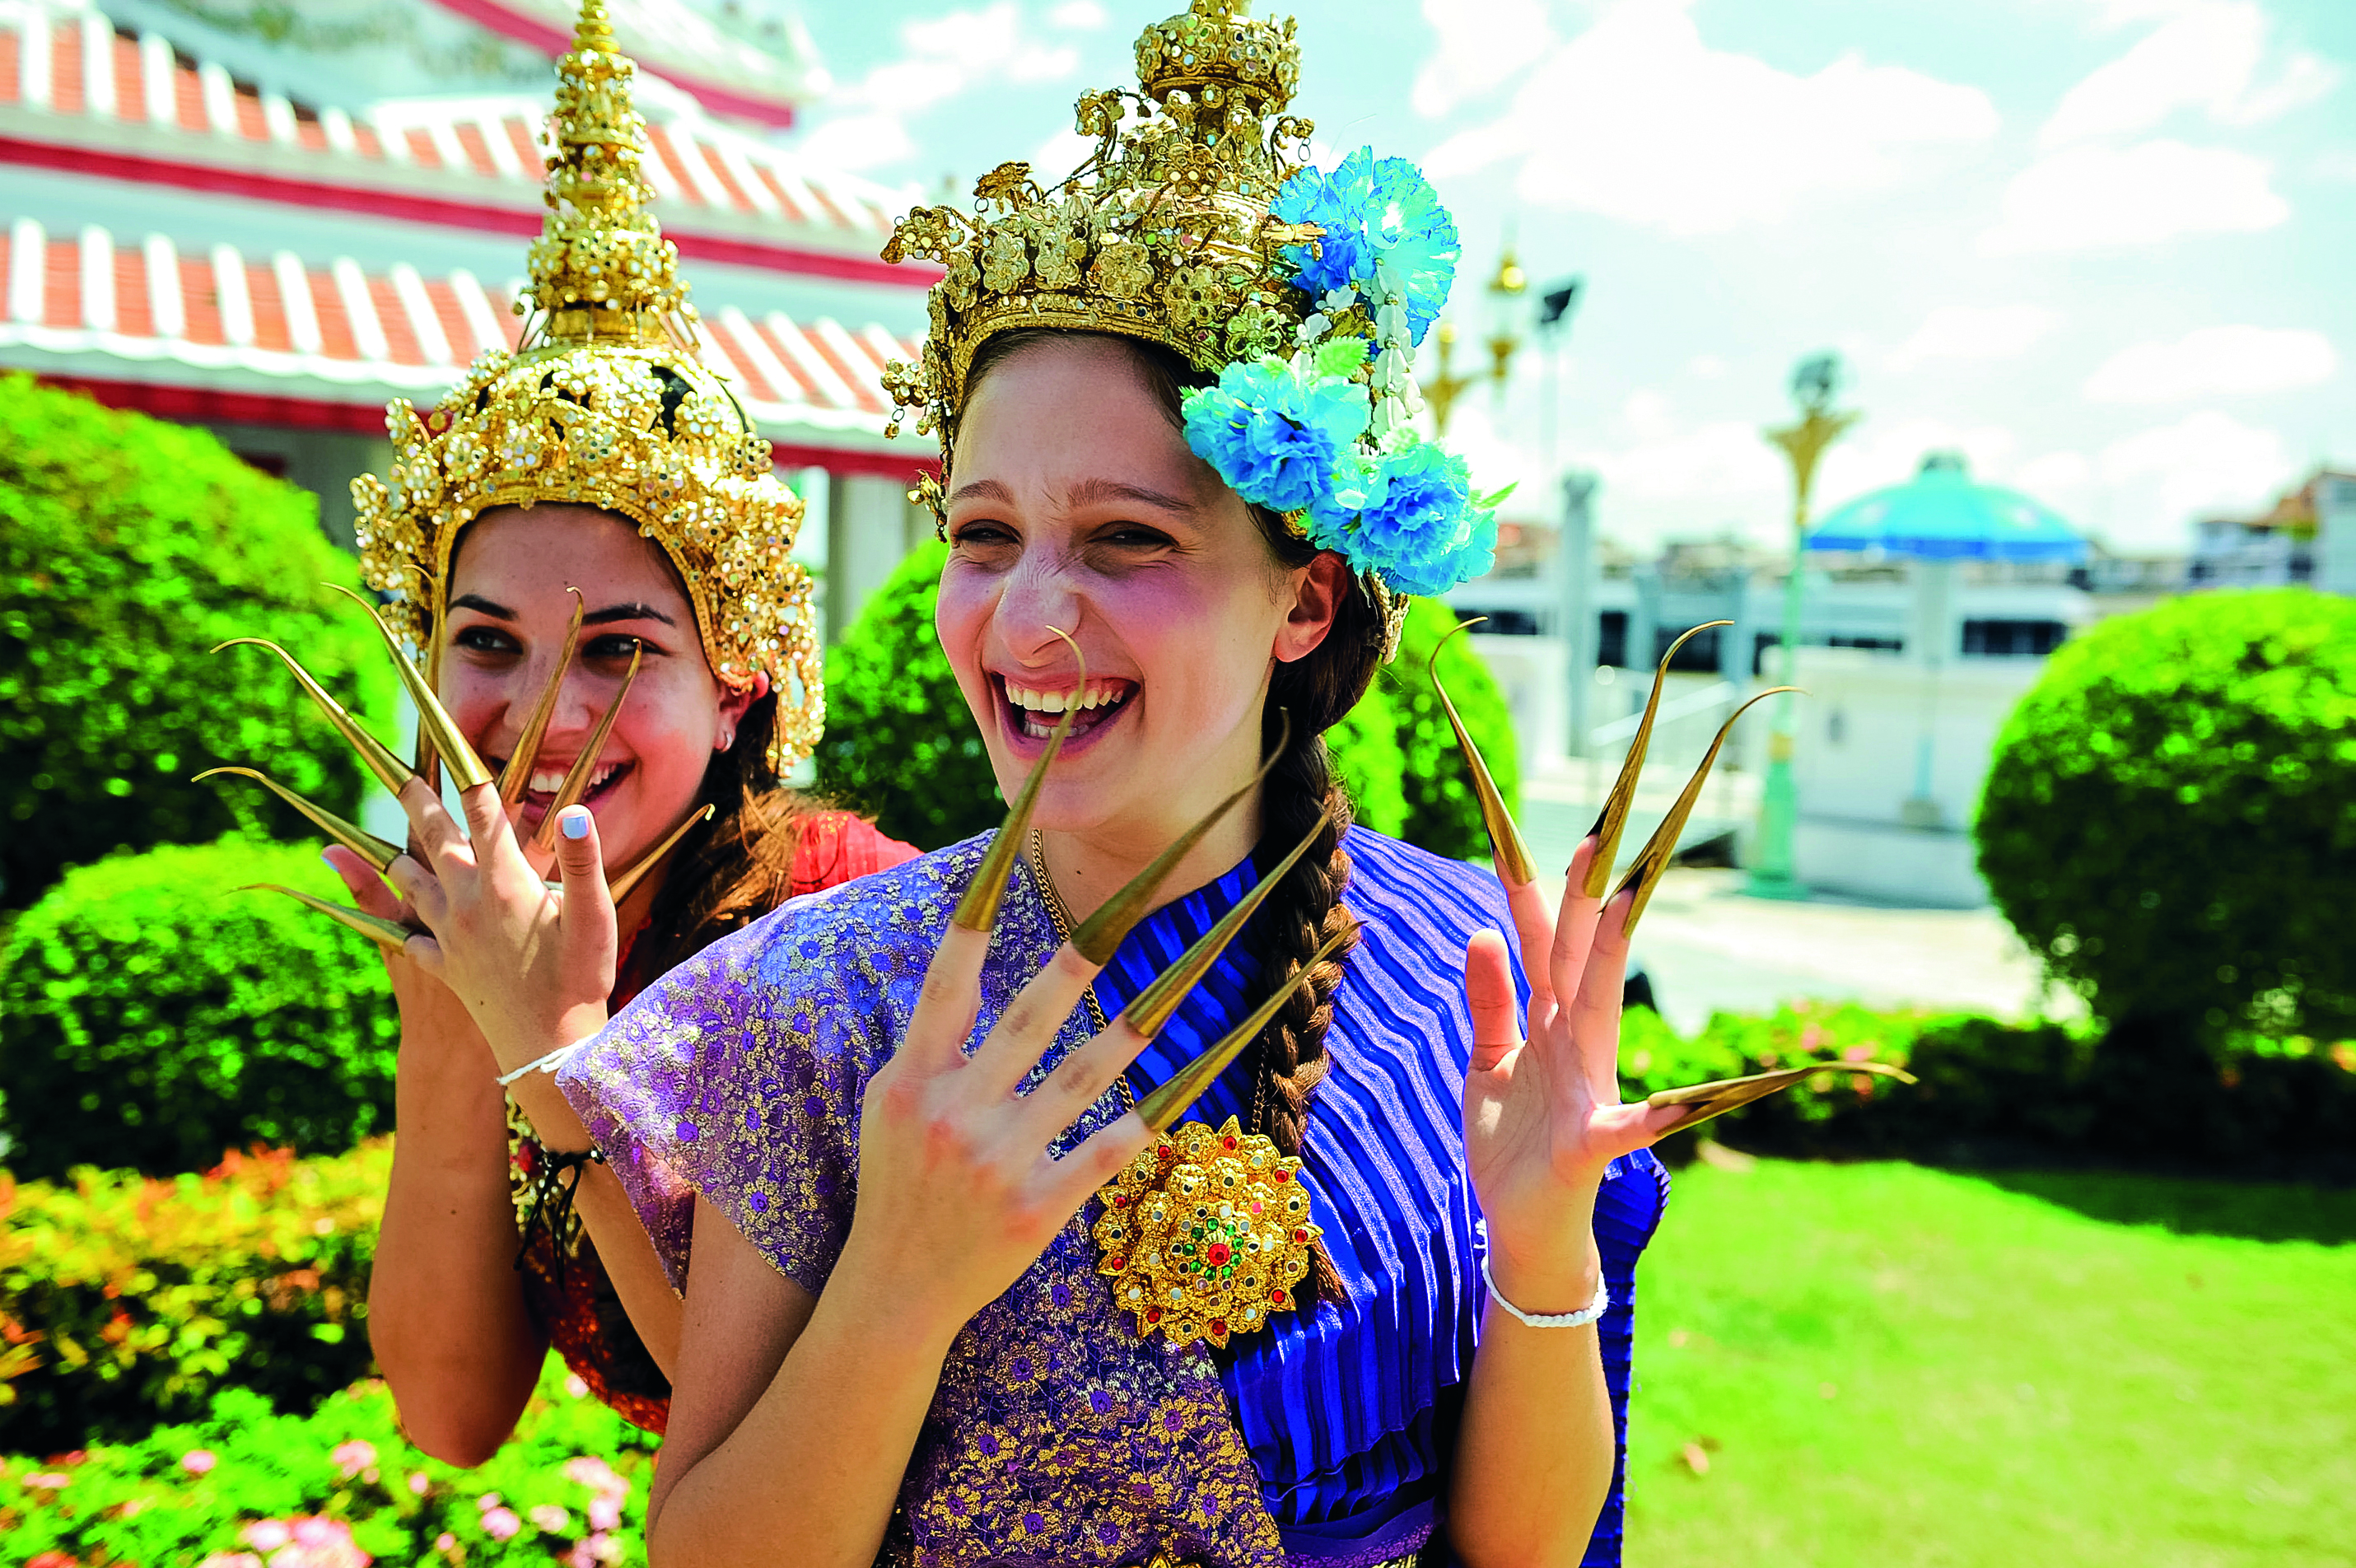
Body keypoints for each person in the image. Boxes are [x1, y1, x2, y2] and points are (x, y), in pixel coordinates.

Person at [362, 2, 1885, 1561]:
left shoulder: (1472, 988)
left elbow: (1519, 1549)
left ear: (1303, 597)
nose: (1025, 621)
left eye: (1128, 539)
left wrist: (1543, 1236)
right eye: (982, 533)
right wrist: (897, 1280)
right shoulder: (811, 999)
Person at [215, 0, 917, 1463]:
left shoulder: (846, 931)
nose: (546, 712)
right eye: (488, 644)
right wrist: (444, 1025)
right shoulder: (476, 925)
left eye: (618, 648)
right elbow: (454, 1414)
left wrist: (553, 1055)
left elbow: (781, 1432)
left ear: (738, 690)